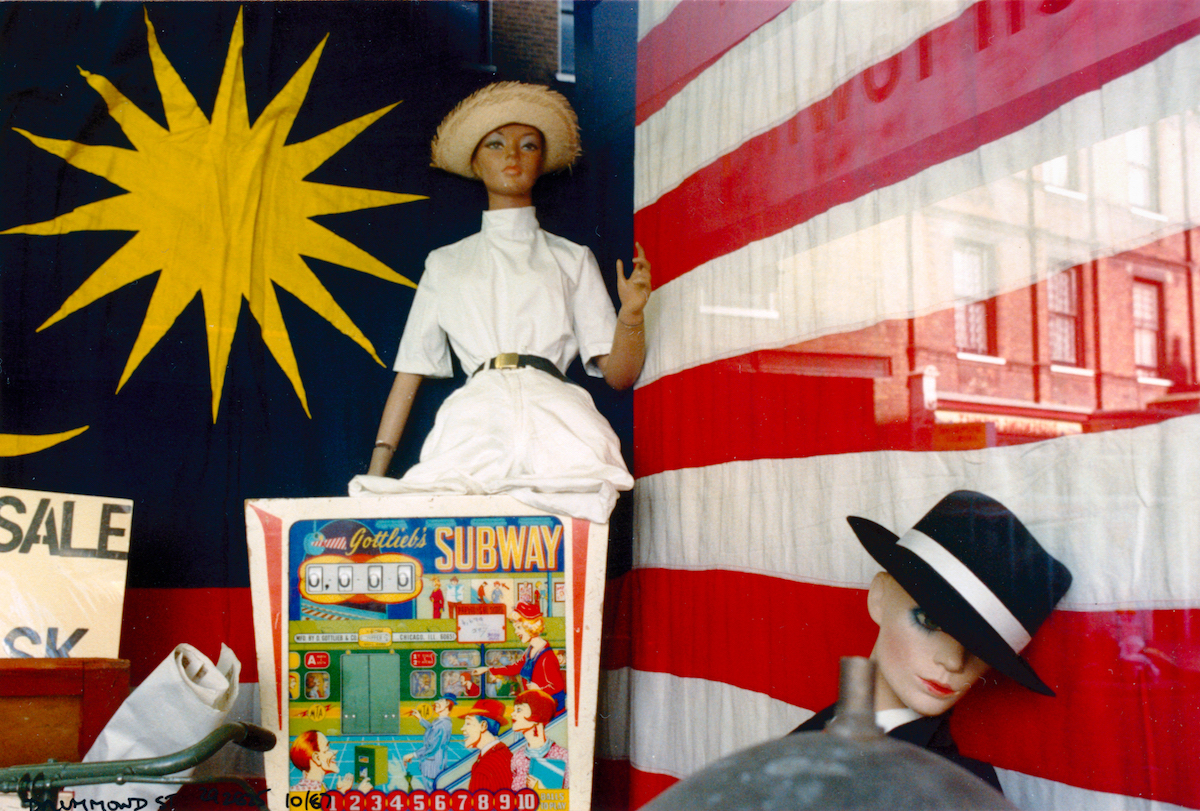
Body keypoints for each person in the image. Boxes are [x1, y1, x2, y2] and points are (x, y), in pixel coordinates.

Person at [350, 81, 651, 524]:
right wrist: (374, 479)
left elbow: (620, 376)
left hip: (559, 418)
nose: (512, 155)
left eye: (528, 145)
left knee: (576, 511)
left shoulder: (571, 258)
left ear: (541, 160)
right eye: (496, 144)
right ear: (475, 161)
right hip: (477, 419)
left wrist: (631, 315)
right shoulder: (446, 264)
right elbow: (409, 373)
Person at [790, 490, 1073, 793]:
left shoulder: (960, 792)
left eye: (980, 649)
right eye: (930, 622)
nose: (953, 662)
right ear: (880, 597)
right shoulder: (812, 734)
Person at [474, 601, 566, 712]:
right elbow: (514, 668)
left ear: (529, 626)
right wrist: (487, 669)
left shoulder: (547, 656)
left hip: (550, 711)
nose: (516, 632)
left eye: (518, 627)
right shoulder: (530, 650)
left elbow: (558, 687)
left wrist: (539, 690)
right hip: (536, 706)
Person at [509, 689, 568, 791]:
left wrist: (541, 789)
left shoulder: (562, 756)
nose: (512, 714)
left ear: (538, 714)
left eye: (519, 710)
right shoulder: (517, 758)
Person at [403, 693, 455, 791]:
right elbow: (432, 729)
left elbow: (432, 747)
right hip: (435, 764)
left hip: (433, 767)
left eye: (440, 701)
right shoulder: (442, 721)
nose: (436, 702)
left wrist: (413, 754)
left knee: (431, 791)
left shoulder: (442, 725)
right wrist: (420, 719)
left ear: (447, 704)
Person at [461, 699, 513, 792]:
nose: (462, 728)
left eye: (468, 723)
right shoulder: (504, 753)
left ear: (483, 726)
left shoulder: (485, 767)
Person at [289, 731, 353, 795]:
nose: (335, 751)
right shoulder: (318, 791)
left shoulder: (297, 790)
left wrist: (341, 791)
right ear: (317, 758)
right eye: (327, 749)